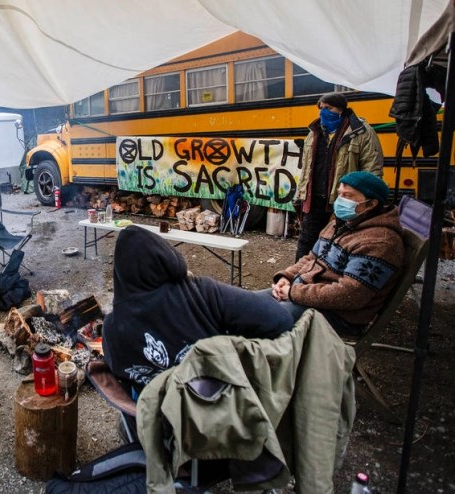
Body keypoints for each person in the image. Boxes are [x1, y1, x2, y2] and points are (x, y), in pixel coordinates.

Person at [102, 225, 294, 391]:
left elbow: (122, 380)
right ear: (167, 259)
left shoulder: (111, 329)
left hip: (155, 424)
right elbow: (280, 319)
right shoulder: (198, 292)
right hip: (217, 411)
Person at [271, 171, 404, 336]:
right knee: (240, 303)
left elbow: (350, 295)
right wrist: (286, 277)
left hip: (337, 316)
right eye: (340, 194)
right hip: (306, 296)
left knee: (255, 319)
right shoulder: (340, 224)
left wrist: (293, 293)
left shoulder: (380, 243)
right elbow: (311, 257)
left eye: (348, 196)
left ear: (371, 204)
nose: (340, 201)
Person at [294, 92, 384, 261]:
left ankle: (329, 280)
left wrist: (363, 200)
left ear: (341, 109)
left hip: (344, 201)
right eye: (321, 108)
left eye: (328, 108)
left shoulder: (362, 132)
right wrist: (300, 194)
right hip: (314, 199)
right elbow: (306, 167)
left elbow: (372, 169)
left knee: (340, 244)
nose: (323, 112)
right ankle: (296, 280)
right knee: (306, 243)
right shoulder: (314, 133)